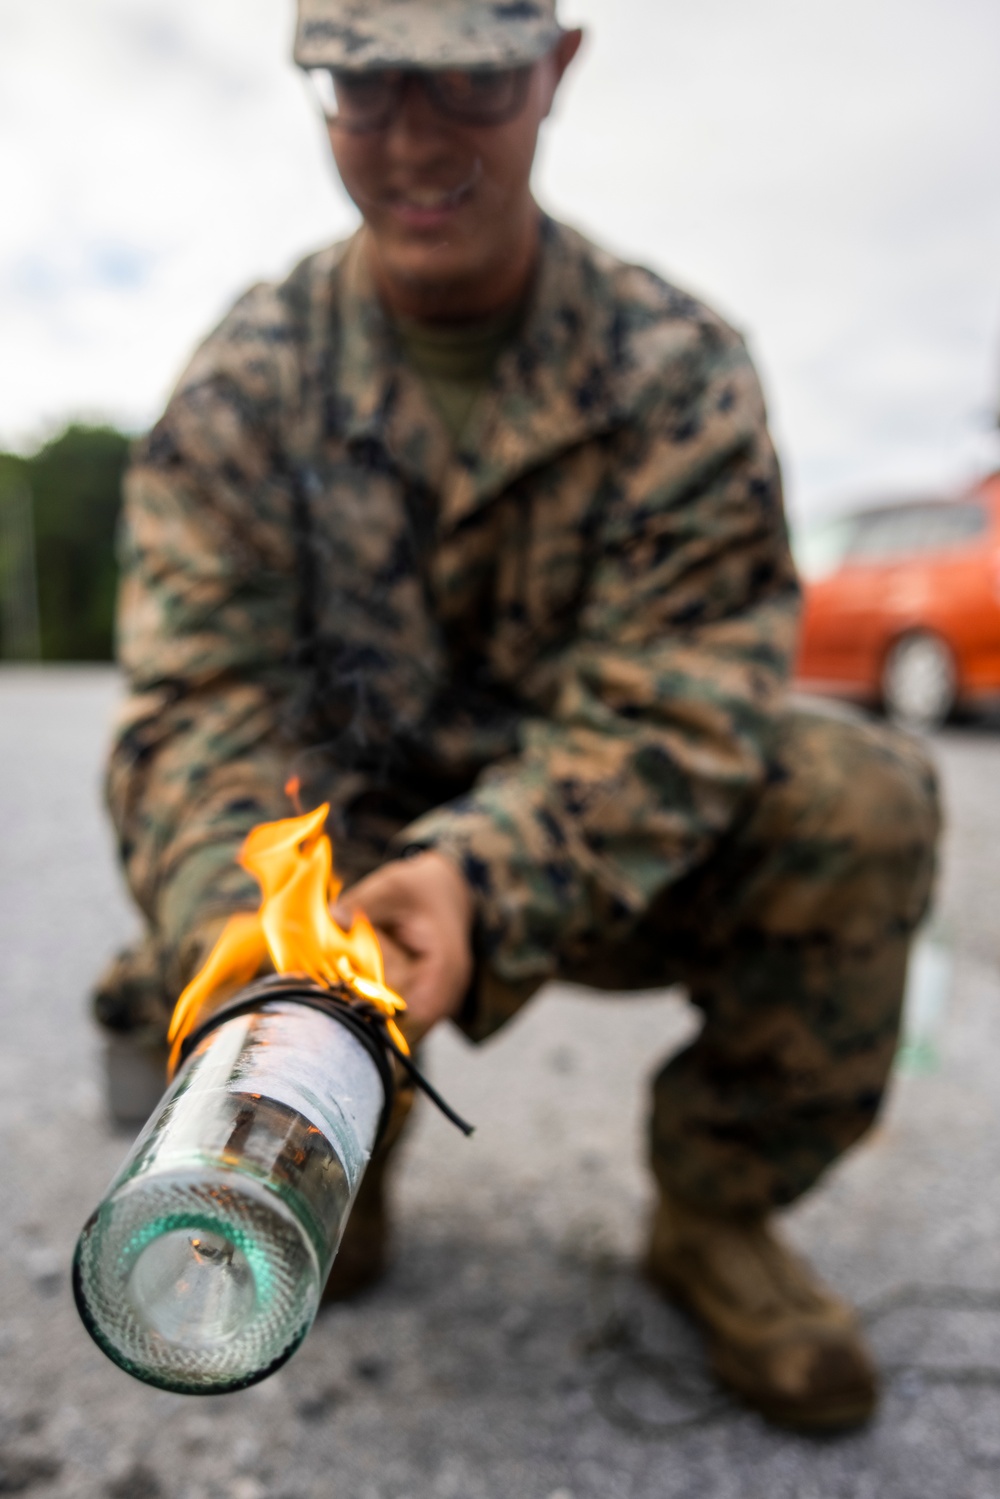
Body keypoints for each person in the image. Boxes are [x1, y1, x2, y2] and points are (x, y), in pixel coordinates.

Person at [95, 0, 940, 1433]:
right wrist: (248, 934)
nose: (414, 138)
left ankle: (714, 1216)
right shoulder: (248, 380)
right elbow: (195, 702)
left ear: (555, 70)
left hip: (582, 845)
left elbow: (686, 702)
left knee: (859, 801)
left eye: (467, 84)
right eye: (362, 90)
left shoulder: (676, 370)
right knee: (305, 1238)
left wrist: (489, 879)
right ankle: (318, 1120)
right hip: (339, 868)